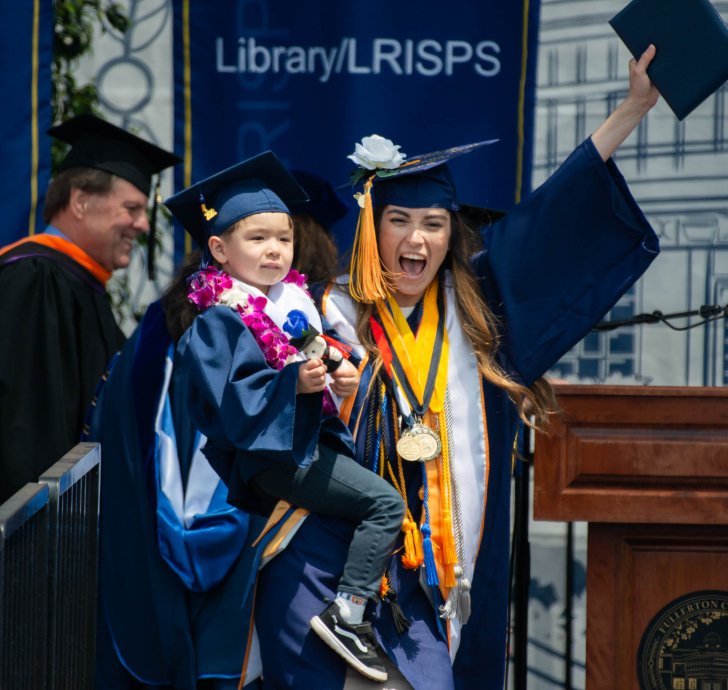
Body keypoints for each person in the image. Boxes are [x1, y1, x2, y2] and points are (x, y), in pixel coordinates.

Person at [250, 45, 662, 689]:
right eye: (400, 221)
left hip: (433, 573)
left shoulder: (479, 312)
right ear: (371, 229)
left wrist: (633, 109)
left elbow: (550, 216)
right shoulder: (318, 310)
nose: (416, 241)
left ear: (451, 235)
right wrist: (323, 394)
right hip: (326, 554)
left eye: (433, 224)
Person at [165, 152, 407, 683]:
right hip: (270, 457)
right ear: (219, 250)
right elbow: (228, 404)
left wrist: (338, 380)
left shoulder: (290, 308)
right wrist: (291, 383)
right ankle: (348, 614)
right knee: (386, 504)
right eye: (258, 239)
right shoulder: (219, 322)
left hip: (298, 444)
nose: (274, 249)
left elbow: (322, 360)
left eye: (284, 238)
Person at [0, 113, 180, 504]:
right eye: (132, 208)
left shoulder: (79, 284)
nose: (144, 224)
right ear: (80, 201)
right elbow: (26, 427)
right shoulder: (36, 278)